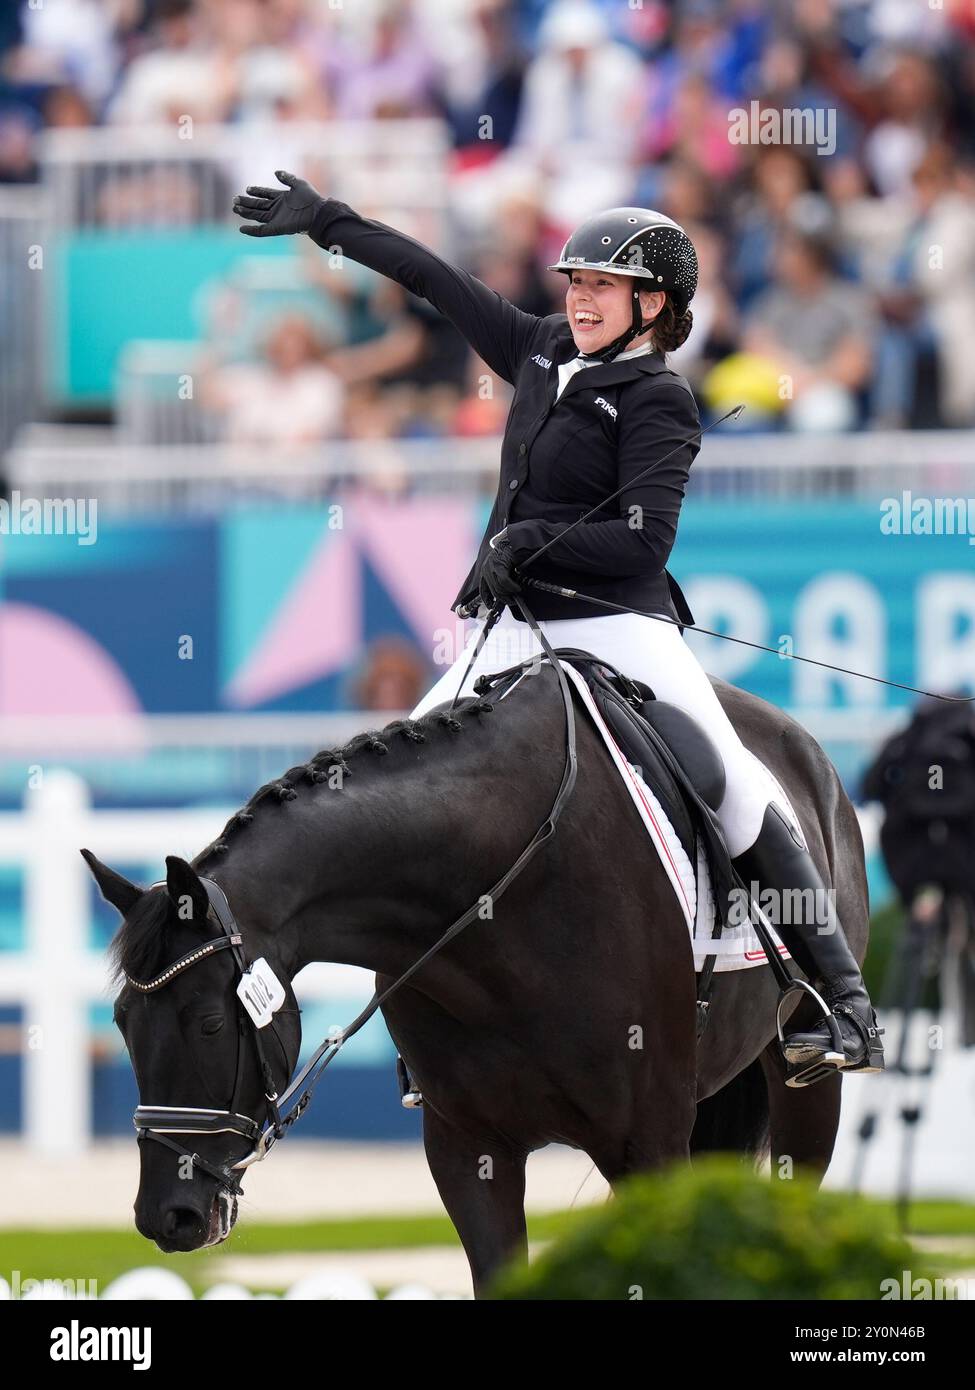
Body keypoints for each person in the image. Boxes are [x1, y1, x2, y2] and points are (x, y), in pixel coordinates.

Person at [232, 171, 885, 1085]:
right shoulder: (537, 350)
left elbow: (640, 540)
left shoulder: (659, 400)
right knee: (396, 774)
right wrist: (331, 224)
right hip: (510, 628)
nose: (578, 299)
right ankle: (437, 1027)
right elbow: (436, 282)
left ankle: (842, 1003)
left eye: (600, 286)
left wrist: (529, 537)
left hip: (619, 626)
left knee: (734, 782)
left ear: (650, 304)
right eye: (574, 283)